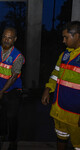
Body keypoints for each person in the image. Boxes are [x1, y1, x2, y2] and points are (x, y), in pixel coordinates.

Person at [41, 21, 80, 150]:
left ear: (77, 36)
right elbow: (55, 73)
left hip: (75, 115)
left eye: (66, 37)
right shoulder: (64, 55)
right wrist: (48, 89)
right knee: (60, 138)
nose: (63, 41)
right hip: (59, 111)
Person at [0, 27, 25, 150]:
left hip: (13, 90)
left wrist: (1, 91)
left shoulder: (18, 56)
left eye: (9, 38)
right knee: (2, 114)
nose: (6, 40)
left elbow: (14, 77)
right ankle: (2, 136)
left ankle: (12, 140)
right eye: (4, 37)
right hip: (0, 88)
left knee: (11, 116)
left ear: (14, 39)